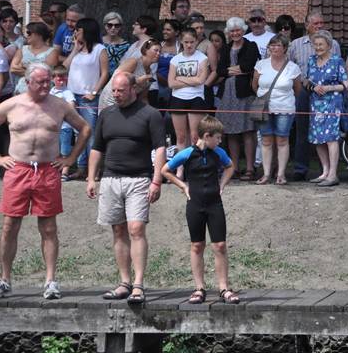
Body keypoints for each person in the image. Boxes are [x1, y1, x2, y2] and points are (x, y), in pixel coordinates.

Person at [0, 63, 90, 300]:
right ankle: (4, 279)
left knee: (49, 227)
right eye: (40, 82)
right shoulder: (12, 104)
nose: (46, 85)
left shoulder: (59, 105)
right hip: (18, 169)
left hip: (47, 170)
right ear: (28, 82)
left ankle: (50, 281)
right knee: (10, 225)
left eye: (48, 81)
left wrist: (71, 158)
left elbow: (84, 128)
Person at [86, 72, 168, 305]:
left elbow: (160, 149)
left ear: (133, 89)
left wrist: (156, 180)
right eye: (114, 90)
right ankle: (124, 282)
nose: (116, 94)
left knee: (136, 228)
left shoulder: (150, 114)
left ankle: (138, 284)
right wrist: (91, 178)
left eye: (120, 90)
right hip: (111, 178)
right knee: (118, 230)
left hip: (139, 179)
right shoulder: (107, 114)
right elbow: (97, 148)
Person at [161, 115, 239, 304]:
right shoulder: (187, 153)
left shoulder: (218, 152)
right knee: (197, 245)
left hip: (214, 203)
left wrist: (222, 184)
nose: (220, 141)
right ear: (207, 136)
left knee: (220, 245)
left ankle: (223, 287)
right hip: (195, 204)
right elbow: (165, 170)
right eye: (217, 138)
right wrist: (183, 186)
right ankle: (199, 288)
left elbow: (230, 167)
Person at [288, 11, 341, 180]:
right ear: (306, 25)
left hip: (328, 94)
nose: (319, 26)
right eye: (315, 23)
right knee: (303, 130)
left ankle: (326, 171)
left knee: (327, 132)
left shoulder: (334, 44)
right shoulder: (295, 45)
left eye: (321, 23)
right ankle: (300, 169)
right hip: (304, 91)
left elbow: (339, 70)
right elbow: (289, 68)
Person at [251, 34, 302, 185]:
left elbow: (297, 89)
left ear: (285, 48)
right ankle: (266, 173)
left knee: (282, 139)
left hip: (285, 108)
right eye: (272, 45)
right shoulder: (261, 64)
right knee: (266, 139)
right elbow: (254, 85)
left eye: (278, 45)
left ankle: (281, 174)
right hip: (264, 108)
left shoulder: (293, 67)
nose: (274, 48)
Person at [215, 17, 260, 179]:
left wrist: (231, 70)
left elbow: (249, 66)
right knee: (230, 131)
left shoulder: (251, 45)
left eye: (238, 30)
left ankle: (250, 168)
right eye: (232, 31)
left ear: (243, 30)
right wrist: (237, 70)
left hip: (244, 93)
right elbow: (220, 70)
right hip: (227, 94)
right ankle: (233, 167)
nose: (235, 33)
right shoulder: (226, 48)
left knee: (248, 130)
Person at [64, 17, 108, 177]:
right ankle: (81, 167)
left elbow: (105, 73)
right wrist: (75, 50)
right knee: (77, 133)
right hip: (72, 95)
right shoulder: (77, 49)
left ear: (87, 31)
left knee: (90, 134)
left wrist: (94, 92)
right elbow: (64, 67)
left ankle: (94, 170)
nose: (75, 32)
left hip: (88, 96)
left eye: (78, 30)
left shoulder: (99, 49)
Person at [306, 30, 348, 186]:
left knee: (331, 138)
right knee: (318, 138)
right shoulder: (311, 60)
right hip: (315, 104)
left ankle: (333, 174)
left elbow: (347, 85)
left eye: (321, 44)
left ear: (329, 45)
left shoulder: (337, 61)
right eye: (316, 44)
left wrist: (329, 88)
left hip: (332, 103)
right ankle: (324, 171)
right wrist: (313, 87)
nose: (318, 47)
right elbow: (307, 81)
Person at [169, 28, 212, 155]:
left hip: (196, 98)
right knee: (181, 137)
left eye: (192, 42)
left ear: (196, 41)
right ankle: (181, 165)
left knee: (195, 137)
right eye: (186, 42)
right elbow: (171, 83)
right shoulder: (175, 59)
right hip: (178, 98)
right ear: (181, 42)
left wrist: (180, 78)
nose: (189, 45)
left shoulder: (202, 58)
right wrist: (192, 80)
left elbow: (200, 80)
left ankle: (195, 162)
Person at [100, 39, 160, 110]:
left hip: (126, 104)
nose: (158, 53)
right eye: (156, 50)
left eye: (160, 51)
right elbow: (116, 78)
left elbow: (143, 98)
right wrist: (137, 81)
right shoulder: (133, 62)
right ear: (146, 50)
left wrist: (151, 111)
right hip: (111, 100)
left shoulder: (150, 73)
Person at [11, 22, 58, 95]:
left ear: (39, 34)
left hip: (42, 93)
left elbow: (46, 73)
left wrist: (24, 66)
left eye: (29, 33)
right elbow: (13, 69)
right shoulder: (22, 50)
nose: (27, 36)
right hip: (21, 92)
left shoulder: (52, 52)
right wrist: (37, 70)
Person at [51, 66, 78, 167]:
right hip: (54, 127)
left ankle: (65, 171)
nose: (61, 81)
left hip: (65, 127)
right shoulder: (51, 91)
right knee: (54, 150)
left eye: (63, 78)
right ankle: (56, 169)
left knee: (64, 150)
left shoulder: (67, 92)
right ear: (52, 79)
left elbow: (72, 106)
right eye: (58, 78)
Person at [101, 12, 130, 76]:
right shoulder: (98, 42)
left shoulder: (126, 46)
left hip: (116, 78)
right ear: (105, 26)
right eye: (110, 25)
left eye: (117, 25)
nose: (113, 28)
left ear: (120, 27)